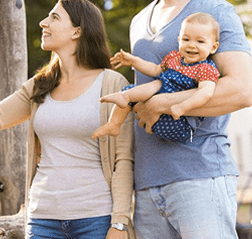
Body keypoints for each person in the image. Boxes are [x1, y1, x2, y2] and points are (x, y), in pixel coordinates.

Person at [0, 0, 136, 239]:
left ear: (77, 31)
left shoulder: (111, 83)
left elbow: (122, 160)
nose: (44, 23)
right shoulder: (39, 86)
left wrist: (120, 221)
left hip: (96, 218)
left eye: (54, 17)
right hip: (43, 220)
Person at [124, 0, 252, 239]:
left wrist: (164, 103)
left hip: (200, 178)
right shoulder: (138, 22)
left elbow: (242, 89)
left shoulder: (216, 12)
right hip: (147, 187)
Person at [93, 12, 220, 142]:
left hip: (179, 120)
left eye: (200, 41)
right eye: (186, 39)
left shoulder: (206, 68)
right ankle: (114, 124)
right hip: (156, 111)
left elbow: (206, 93)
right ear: (179, 40)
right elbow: (154, 69)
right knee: (132, 89)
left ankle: (125, 98)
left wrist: (183, 107)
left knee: (157, 84)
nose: (192, 45)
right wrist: (134, 61)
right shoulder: (174, 58)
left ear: (213, 47)